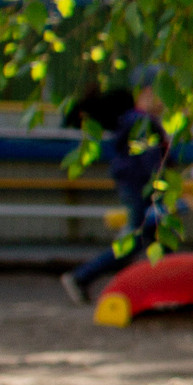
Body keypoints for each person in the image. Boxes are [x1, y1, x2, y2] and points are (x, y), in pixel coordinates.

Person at [61, 66, 173, 304]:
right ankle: (82, 276)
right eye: (165, 93)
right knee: (136, 240)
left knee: (159, 241)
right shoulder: (141, 123)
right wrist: (162, 192)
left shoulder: (135, 120)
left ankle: (170, 288)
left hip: (136, 188)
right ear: (148, 92)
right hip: (141, 190)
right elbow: (152, 164)